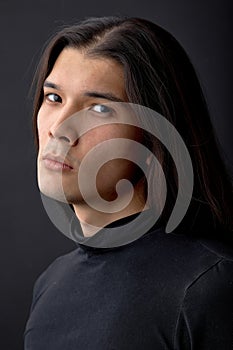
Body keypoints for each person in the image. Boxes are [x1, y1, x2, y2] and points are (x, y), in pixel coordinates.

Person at [24, 16, 233, 349]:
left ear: (154, 138)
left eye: (100, 108)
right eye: (54, 98)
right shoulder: (49, 285)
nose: (60, 128)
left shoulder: (209, 287)